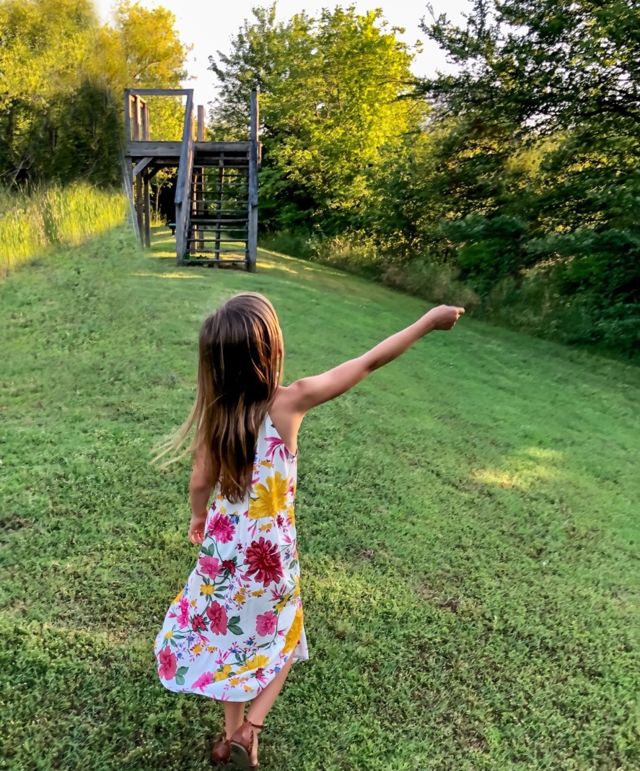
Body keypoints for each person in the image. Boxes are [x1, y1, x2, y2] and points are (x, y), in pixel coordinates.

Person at [153, 292, 464, 769]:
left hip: (223, 556)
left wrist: (198, 518)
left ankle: (230, 734)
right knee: (284, 633)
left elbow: (199, 482)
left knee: (229, 638)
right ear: (270, 349)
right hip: (270, 559)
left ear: (214, 363)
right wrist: (427, 321)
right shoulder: (290, 402)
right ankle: (251, 728)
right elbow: (368, 362)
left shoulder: (215, 415)